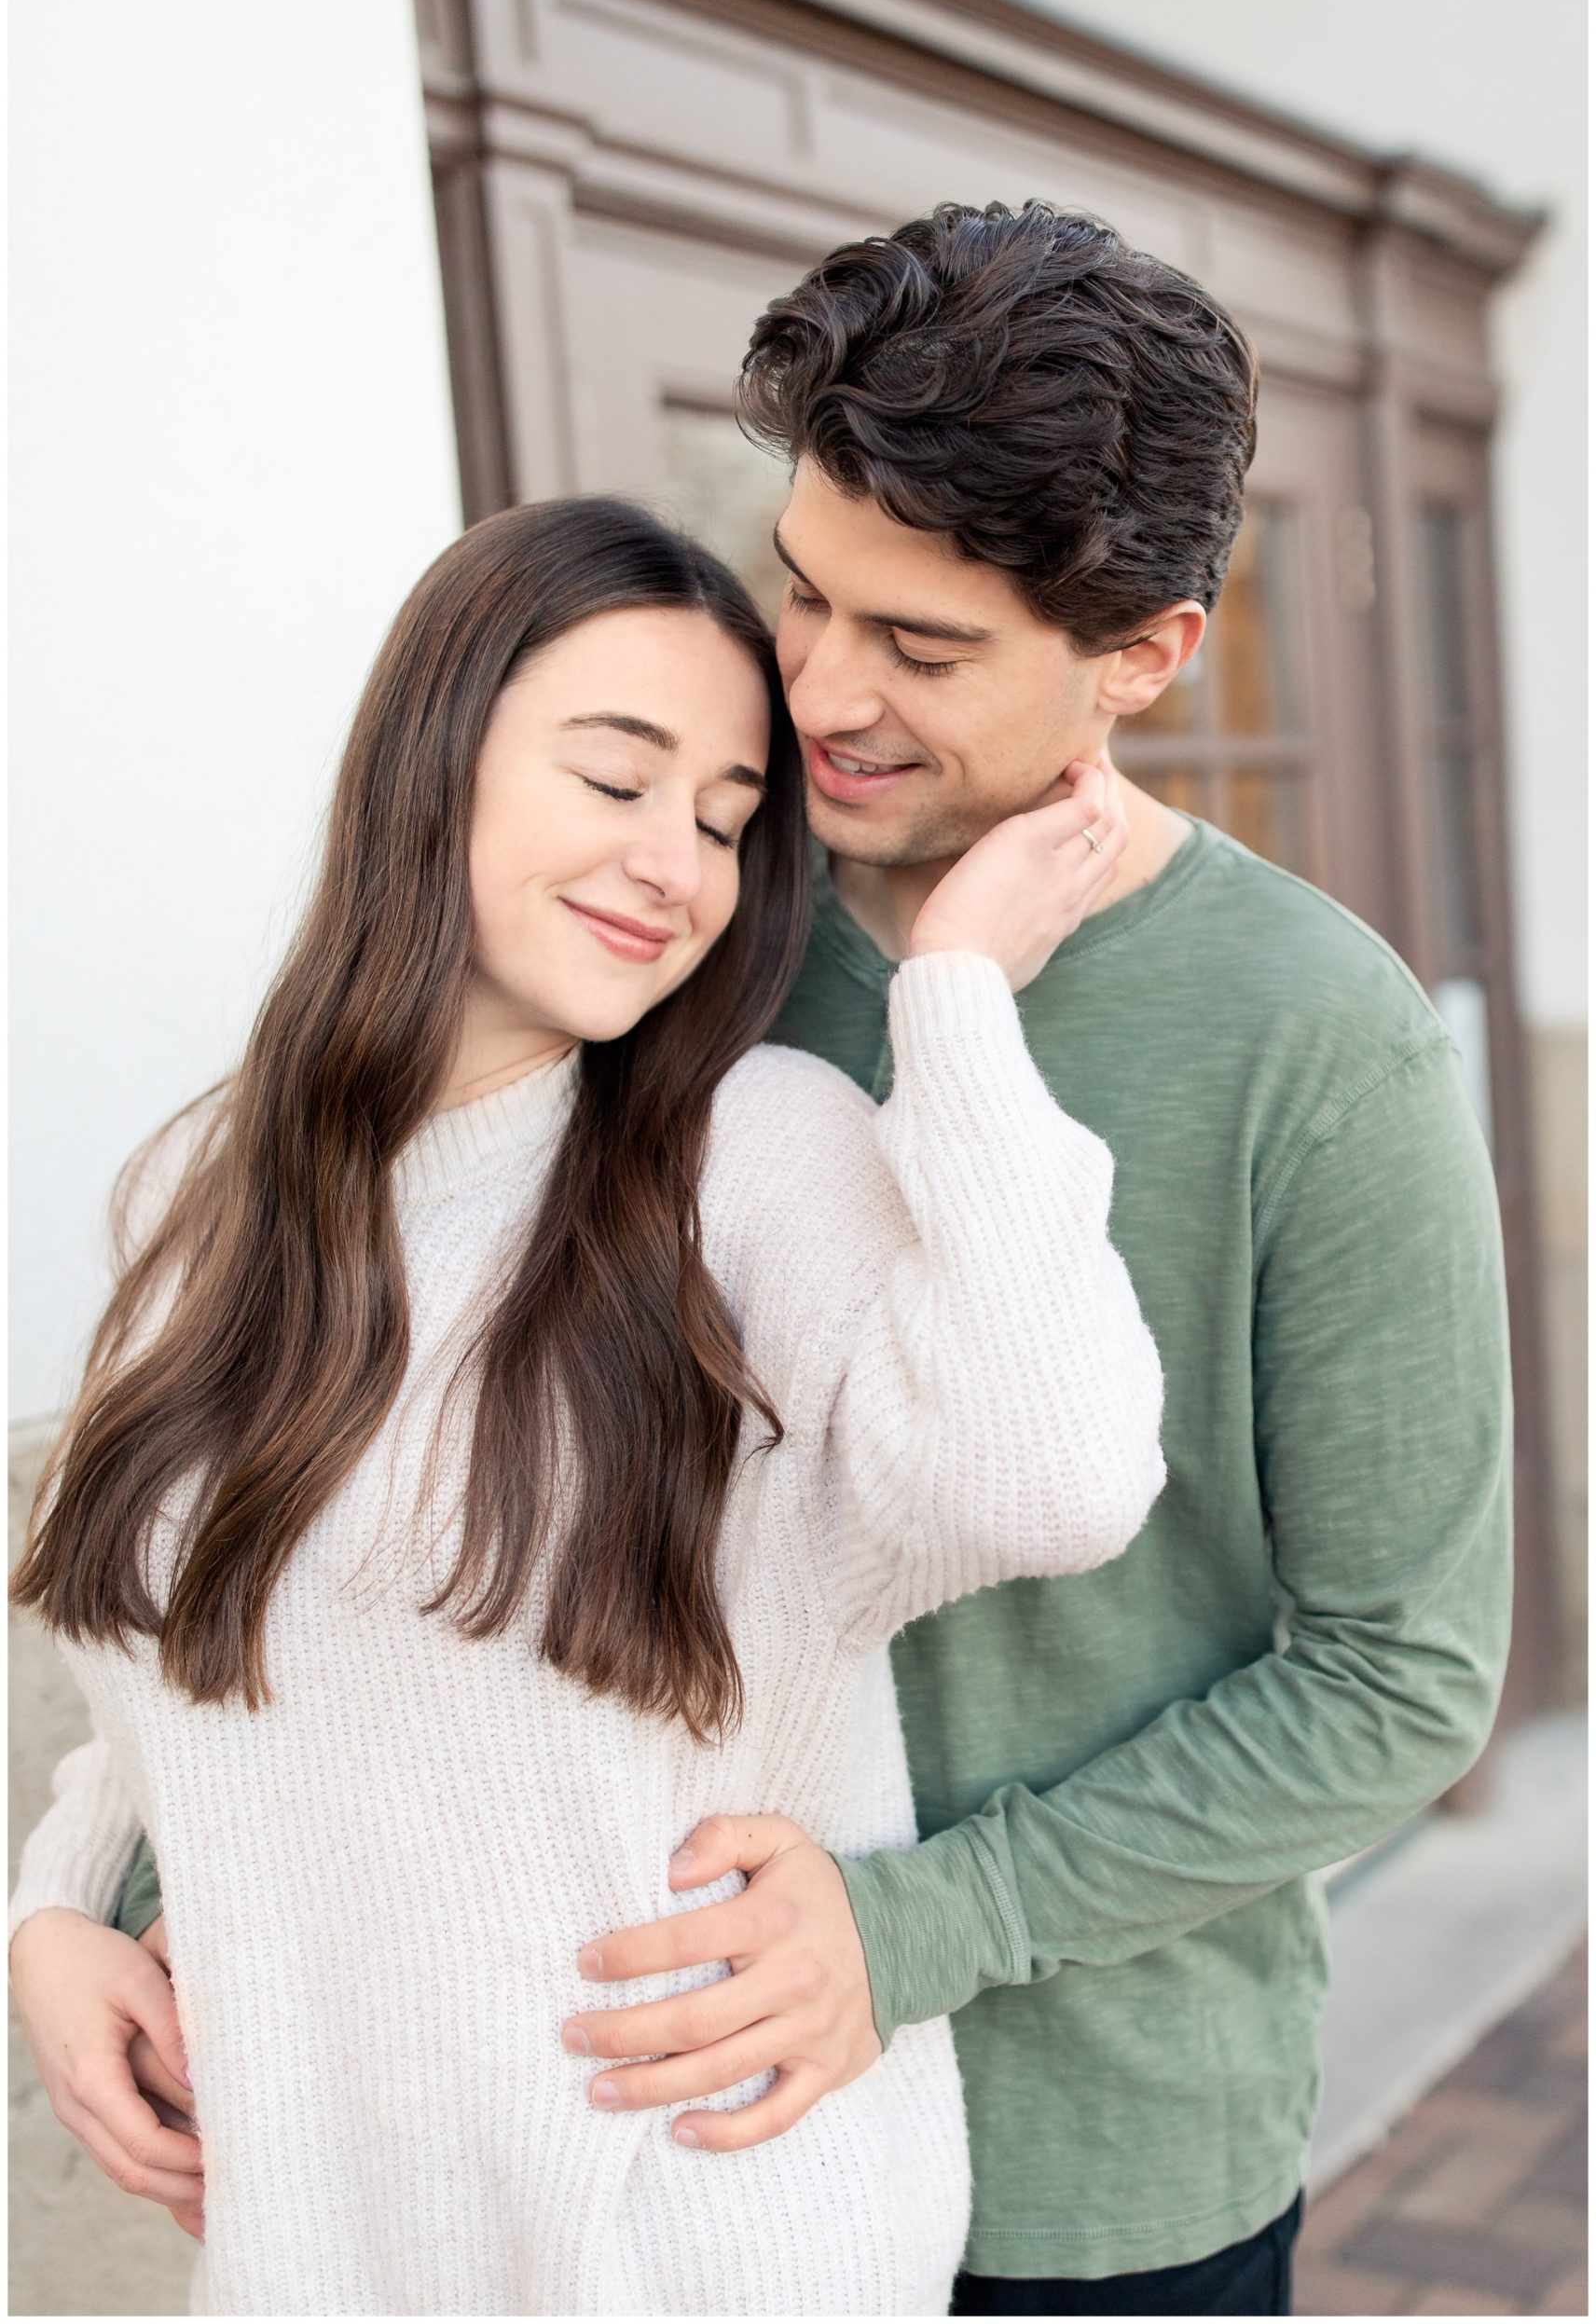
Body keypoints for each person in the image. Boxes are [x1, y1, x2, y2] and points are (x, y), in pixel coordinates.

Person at [15, 197, 1514, 2317]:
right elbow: (361, 1486)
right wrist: (120, 1884)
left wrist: (910, 1923)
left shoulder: (1314, 1040)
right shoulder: (680, 940)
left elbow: (1397, 1676)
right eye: (804, 590)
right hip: (620, 2148)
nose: (815, 691)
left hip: (1091, 2153)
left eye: (919, 646)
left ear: (1144, 653)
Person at [9, 493, 1167, 2316]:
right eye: (616, 778)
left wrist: (955, 1004)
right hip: (321, 2254)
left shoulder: (753, 1159)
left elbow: (1062, 1471)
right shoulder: (205, 1195)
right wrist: (58, 1912)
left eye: (723, 820)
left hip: (684, 2251)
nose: (675, 864)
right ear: (436, 758)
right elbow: (161, 1660)